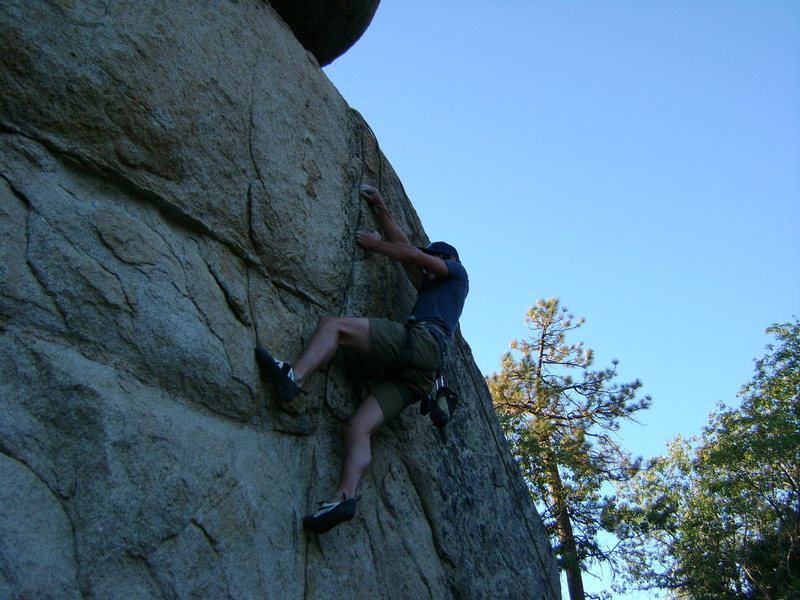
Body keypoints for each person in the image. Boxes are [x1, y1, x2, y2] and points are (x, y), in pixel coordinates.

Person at [255, 184, 469, 534]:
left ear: (448, 261)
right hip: (418, 377)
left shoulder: (457, 273)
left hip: (422, 343)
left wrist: (376, 245)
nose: (428, 266)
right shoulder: (435, 290)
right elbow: (411, 253)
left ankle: (294, 378)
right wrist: (383, 209)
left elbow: (413, 257)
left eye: (435, 260)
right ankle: (344, 496)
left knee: (333, 326)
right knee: (357, 427)